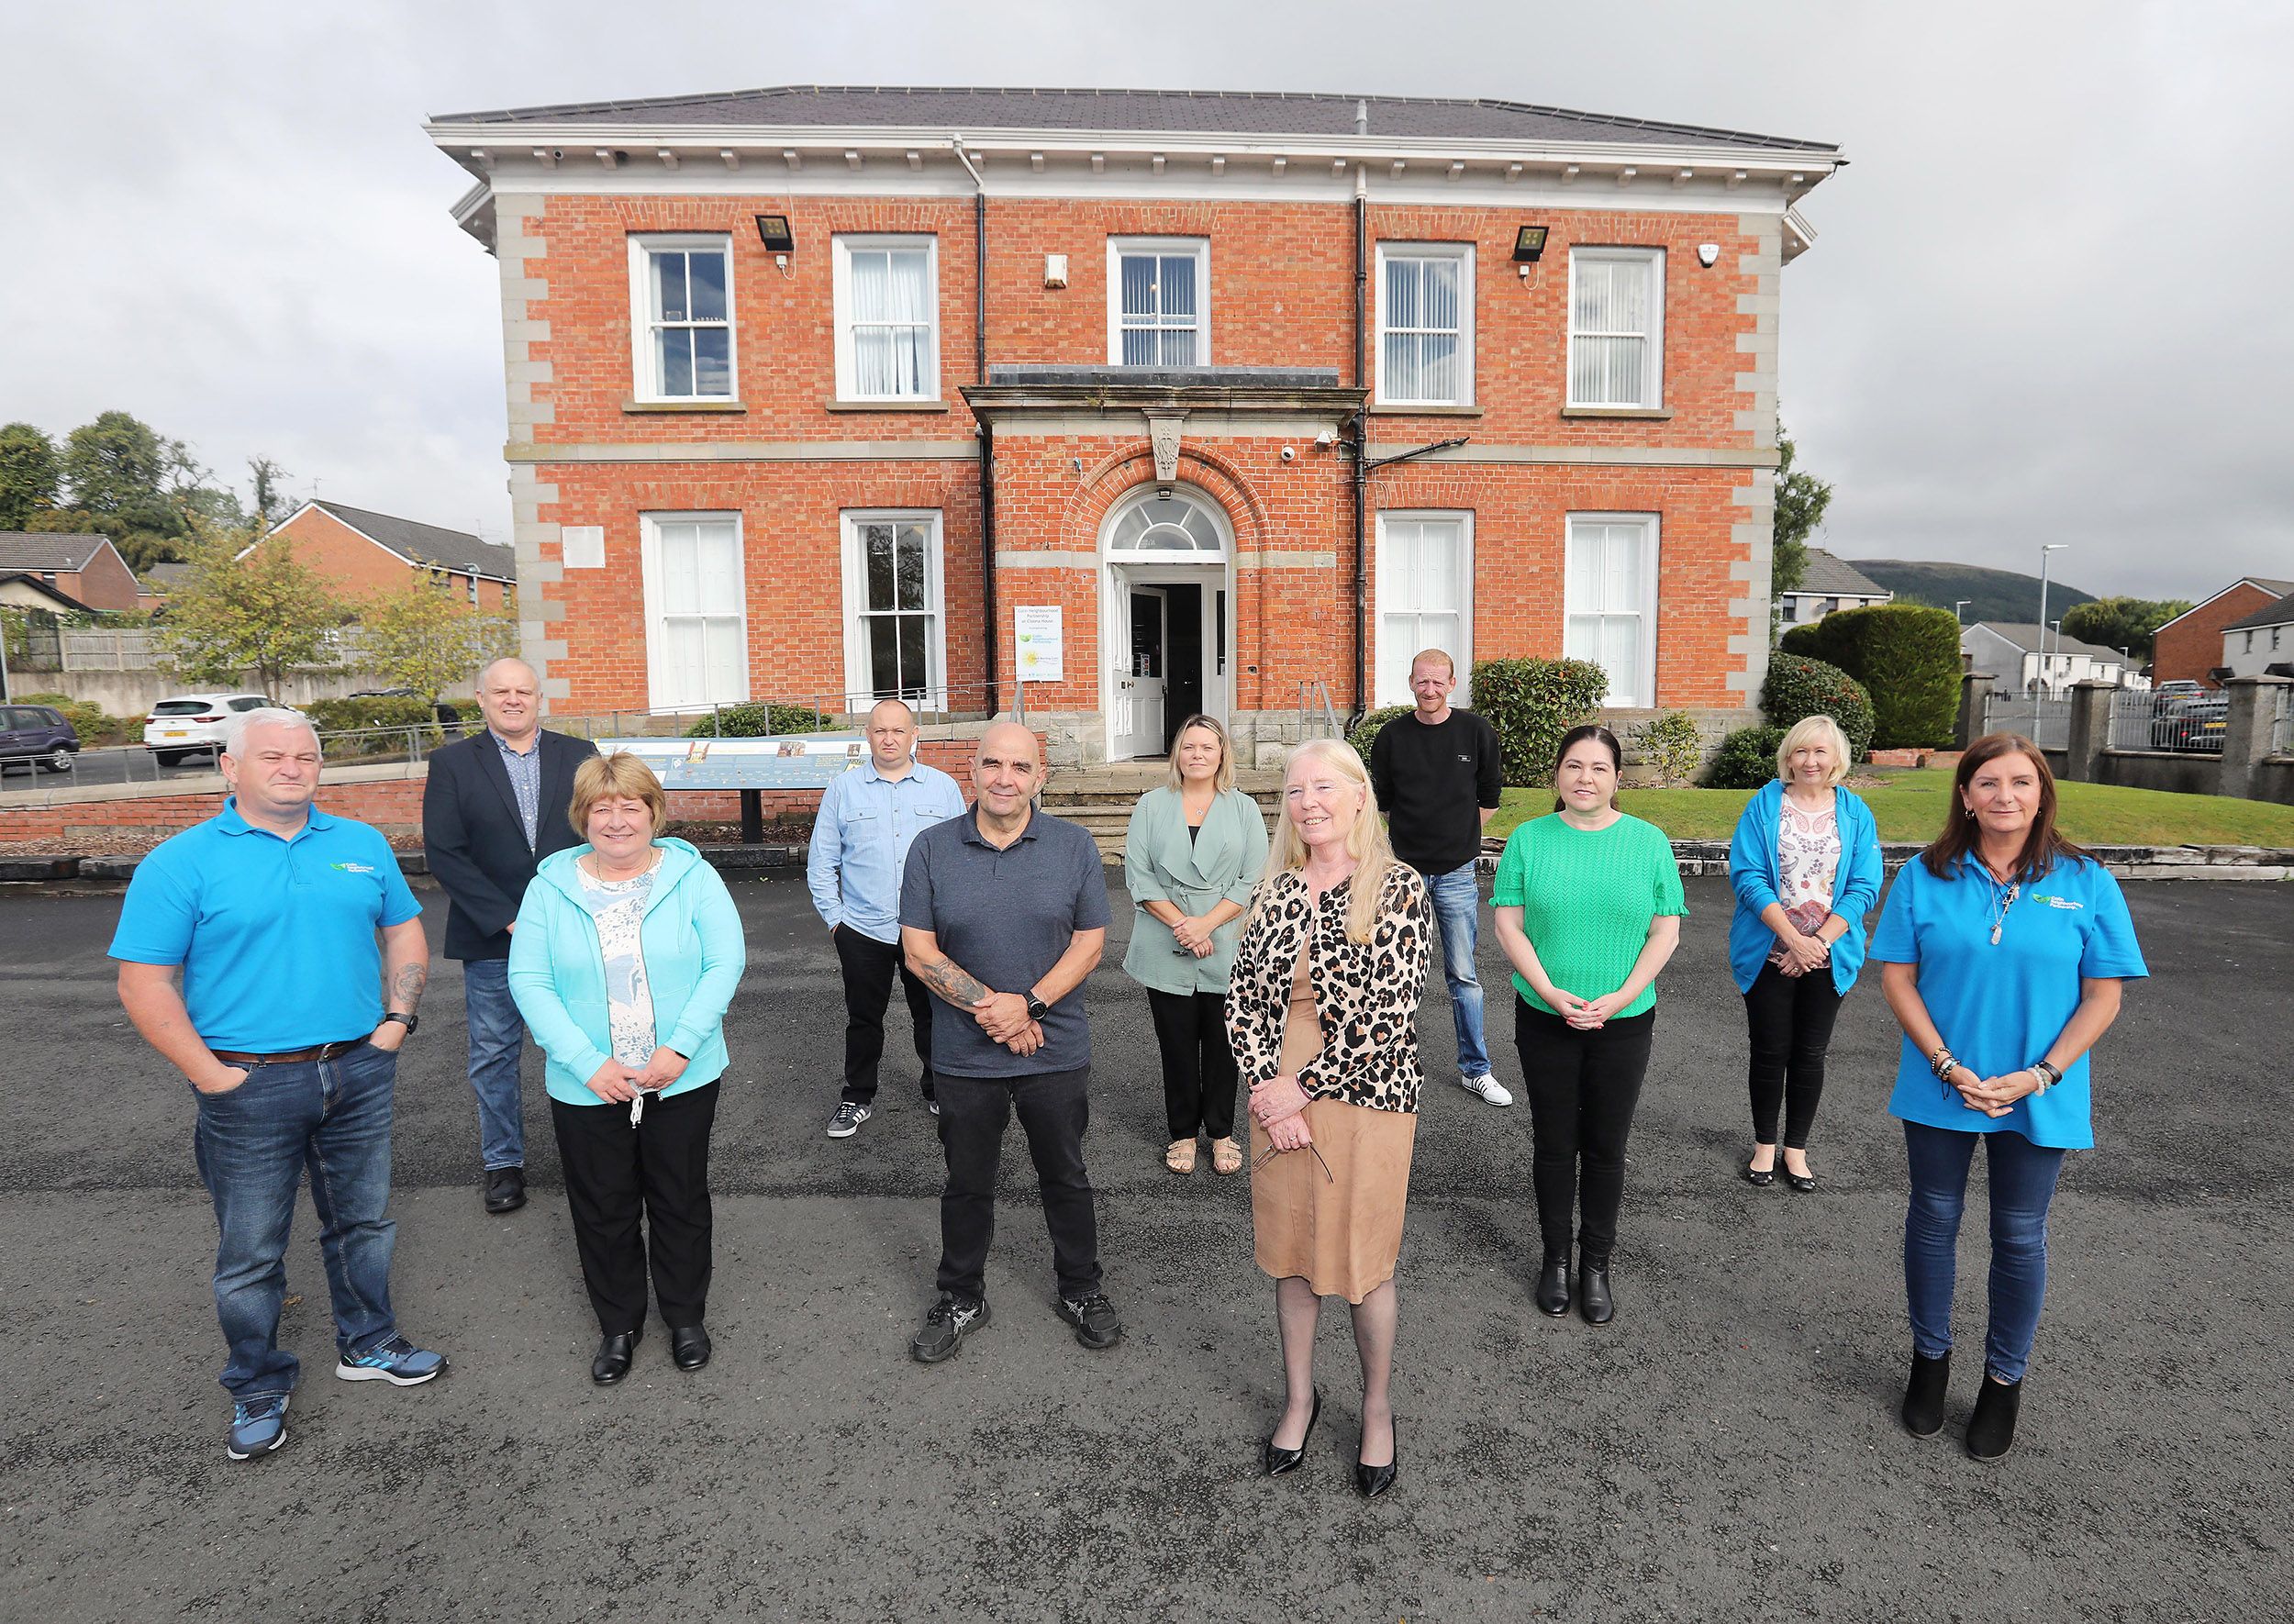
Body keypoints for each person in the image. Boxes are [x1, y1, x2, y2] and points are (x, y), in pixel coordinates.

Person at [110, 706, 445, 1461]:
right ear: (231, 768)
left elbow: (403, 929)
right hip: (248, 1084)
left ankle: (369, 1342)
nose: (293, 768)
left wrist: (398, 1020)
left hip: (358, 1067)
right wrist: (212, 1077)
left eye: (306, 756)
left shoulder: (359, 845)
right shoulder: (180, 863)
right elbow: (144, 984)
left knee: (363, 1223)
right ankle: (258, 1382)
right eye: (273, 757)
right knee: (252, 1251)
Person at [1870, 732, 2145, 1459]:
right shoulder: (1925, 878)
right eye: (1989, 783)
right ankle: (1930, 1363)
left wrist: (2042, 1074)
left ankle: (2002, 1382)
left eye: (2021, 783)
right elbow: (1897, 977)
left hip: (2041, 1088)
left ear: (2042, 794)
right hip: (1943, 1082)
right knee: (1933, 1219)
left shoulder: (2086, 880)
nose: (2005, 797)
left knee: (2019, 1235)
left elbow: (2103, 995)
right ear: (1965, 795)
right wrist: (1946, 1064)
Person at [1227, 739, 1431, 1498]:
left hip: (1366, 1095)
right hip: (1276, 1094)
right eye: (1295, 789)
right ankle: (1301, 1399)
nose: (1308, 800)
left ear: (1356, 796)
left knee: (1363, 1262)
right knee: (1290, 1254)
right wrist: (1264, 1084)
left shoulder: (1399, 886)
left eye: (1324, 786)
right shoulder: (1275, 890)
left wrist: (1299, 1086)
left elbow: (1390, 1013)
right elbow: (1242, 996)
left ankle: (1377, 1410)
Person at [507, 752, 747, 1384]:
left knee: (679, 1197)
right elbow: (529, 980)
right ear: (583, 817)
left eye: (630, 806)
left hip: (681, 1076)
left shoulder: (693, 877)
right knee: (603, 1206)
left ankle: (686, 1316)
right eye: (602, 808)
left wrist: (682, 1046)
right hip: (589, 1085)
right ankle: (619, 1326)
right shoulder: (548, 888)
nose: (617, 820)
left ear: (653, 813)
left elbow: (724, 962)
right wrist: (587, 1063)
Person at [899, 721, 1120, 1363]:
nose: (1004, 778)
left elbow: (1091, 944)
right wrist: (994, 1011)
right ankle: (961, 1295)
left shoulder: (1074, 846)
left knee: (1066, 1176)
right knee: (967, 1182)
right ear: (972, 769)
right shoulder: (932, 848)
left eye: (1019, 767)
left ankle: (1081, 1287)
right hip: (965, 1056)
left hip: (1055, 1047)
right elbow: (919, 952)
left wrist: (1026, 1005)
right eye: (993, 764)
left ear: (1039, 777)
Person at [1489, 724, 1686, 1325]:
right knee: (1554, 1143)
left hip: (1624, 1020)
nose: (1585, 778)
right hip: (1546, 1016)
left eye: (1599, 768)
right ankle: (1554, 1258)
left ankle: (1595, 1263)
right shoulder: (1528, 840)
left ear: (1617, 779)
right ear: (1558, 774)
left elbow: (1666, 928)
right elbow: (1508, 924)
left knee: (1605, 1146)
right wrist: (1548, 990)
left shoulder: (1649, 842)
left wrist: (1623, 994)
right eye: (1574, 766)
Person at [421, 656, 597, 1214]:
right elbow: (445, 852)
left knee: (581, 1044)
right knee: (495, 1054)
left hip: (574, 929)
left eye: (524, 690)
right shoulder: (451, 763)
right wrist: (509, 918)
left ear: (539, 697)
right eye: (502, 692)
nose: (513, 700)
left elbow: (600, 834)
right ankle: (504, 1163)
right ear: (481, 698)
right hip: (494, 937)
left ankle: (594, 1156)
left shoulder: (578, 755)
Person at [1725, 715, 1885, 1192]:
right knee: (1770, 1051)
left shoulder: (1856, 813)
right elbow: (1747, 876)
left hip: (1829, 953)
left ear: (1837, 758)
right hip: (1769, 950)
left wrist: (1817, 944)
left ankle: (1796, 1148)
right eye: (1801, 751)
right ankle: (1764, 1146)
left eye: (1820, 752)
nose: (1810, 761)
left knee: (1811, 1052)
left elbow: (1863, 886)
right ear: (1788, 757)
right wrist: (1793, 940)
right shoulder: (1764, 805)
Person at [807, 697, 967, 1140]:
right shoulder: (843, 789)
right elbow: (822, 861)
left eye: (898, 730)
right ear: (867, 736)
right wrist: (836, 921)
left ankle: (940, 1089)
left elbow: (960, 860)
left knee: (934, 1014)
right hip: (863, 928)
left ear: (915, 734)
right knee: (863, 1018)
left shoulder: (942, 787)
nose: (889, 738)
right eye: (880, 731)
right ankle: (857, 1097)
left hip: (927, 930)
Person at [1121, 714, 1270, 1176]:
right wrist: (1184, 925)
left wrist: (1205, 924)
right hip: (1165, 938)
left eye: (1208, 747)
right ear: (1177, 755)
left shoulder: (1243, 808)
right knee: (1178, 1046)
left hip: (1226, 939)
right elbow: (1139, 875)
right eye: (1189, 747)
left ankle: (1222, 1132)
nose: (1198, 755)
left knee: (1226, 1047)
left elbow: (1253, 877)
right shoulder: (1150, 805)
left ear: (1222, 754)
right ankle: (1183, 1132)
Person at [1368, 649, 1510, 1107]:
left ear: (1451, 684)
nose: (1429, 690)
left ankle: (1476, 1070)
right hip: (1402, 873)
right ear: (1410, 682)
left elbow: (1489, 795)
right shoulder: (1392, 736)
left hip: (1455, 872)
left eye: (1438, 682)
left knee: (1463, 975)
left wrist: (1459, 835)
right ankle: (1385, 1067)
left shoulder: (1476, 732)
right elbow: (1383, 800)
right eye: (1421, 681)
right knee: (1391, 974)